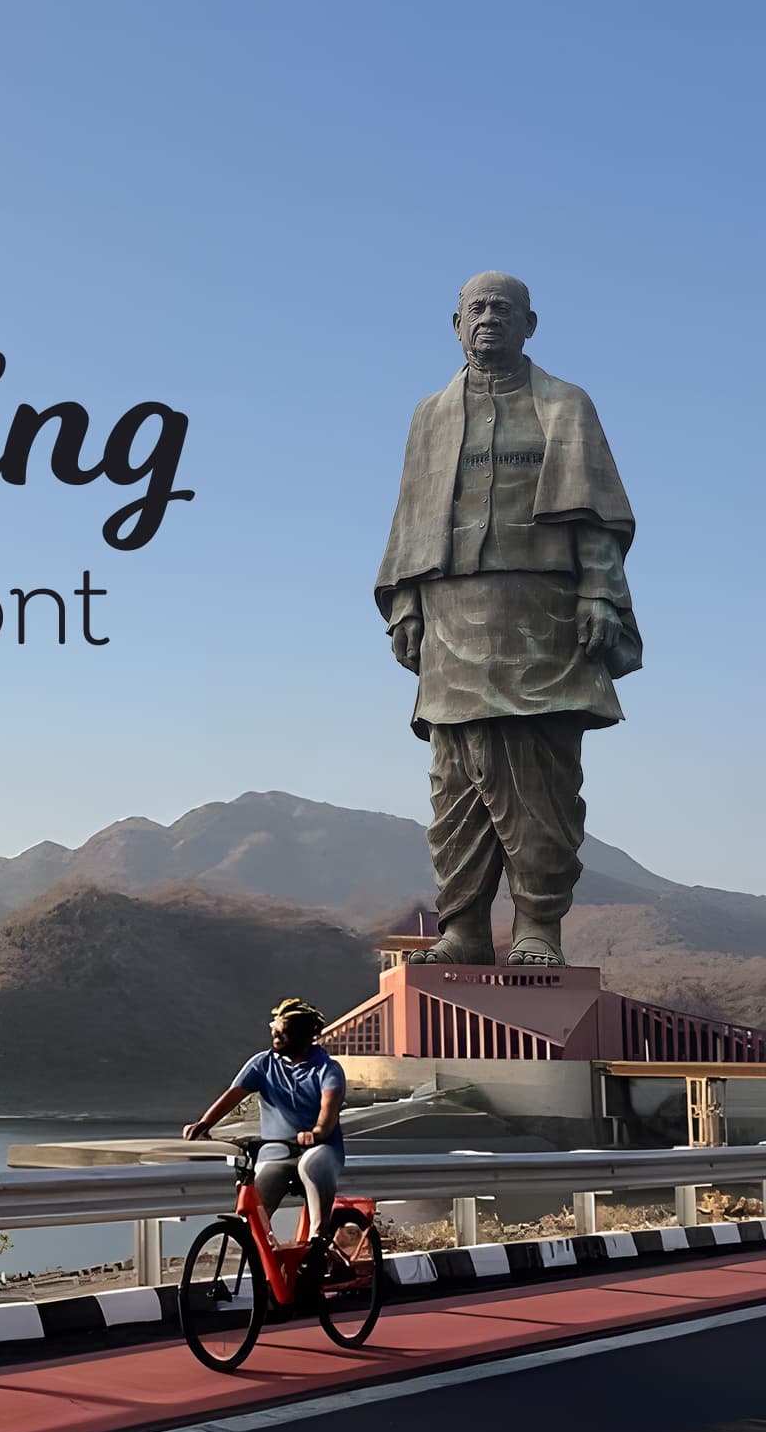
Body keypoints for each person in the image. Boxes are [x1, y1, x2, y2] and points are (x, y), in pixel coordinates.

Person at [375, 270, 642, 967]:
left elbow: (598, 520)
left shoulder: (565, 406)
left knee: (542, 777)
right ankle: (463, 927)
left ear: (531, 323)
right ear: (455, 323)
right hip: (451, 613)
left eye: (503, 309)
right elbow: (409, 522)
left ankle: (537, 929)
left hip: (541, 611)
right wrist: (406, 606)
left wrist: (598, 595)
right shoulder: (429, 415)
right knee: (454, 777)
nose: (489, 318)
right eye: (477, 309)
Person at [182, 998, 346, 1290]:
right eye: (275, 1030)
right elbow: (233, 1095)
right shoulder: (262, 1063)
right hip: (277, 1152)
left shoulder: (328, 1069)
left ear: (304, 1035)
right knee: (256, 1210)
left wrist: (317, 1133)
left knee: (312, 1163)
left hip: (318, 1149)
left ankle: (319, 1245)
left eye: (284, 1031)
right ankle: (268, 1279)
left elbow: (328, 1111)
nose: (276, 1036)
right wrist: (204, 1125)